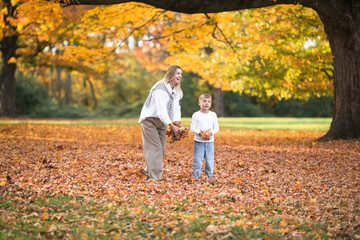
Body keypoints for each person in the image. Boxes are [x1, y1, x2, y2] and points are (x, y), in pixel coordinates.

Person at [138, 65, 183, 181]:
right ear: (171, 74)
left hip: (161, 122)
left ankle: (148, 170)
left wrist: (178, 123)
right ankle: (155, 178)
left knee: (161, 149)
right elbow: (161, 111)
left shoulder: (175, 91)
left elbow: (176, 107)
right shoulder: (160, 88)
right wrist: (172, 126)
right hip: (149, 120)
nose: (180, 76)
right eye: (178, 73)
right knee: (155, 148)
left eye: (181, 74)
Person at [190, 93, 219, 180]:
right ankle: (196, 177)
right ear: (199, 103)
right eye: (204, 101)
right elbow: (192, 128)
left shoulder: (213, 114)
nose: (206, 103)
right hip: (199, 142)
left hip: (210, 142)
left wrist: (210, 133)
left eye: (209, 102)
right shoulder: (196, 115)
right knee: (198, 161)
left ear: (211, 104)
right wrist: (200, 133)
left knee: (210, 161)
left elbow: (216, 128)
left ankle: (209, 177)